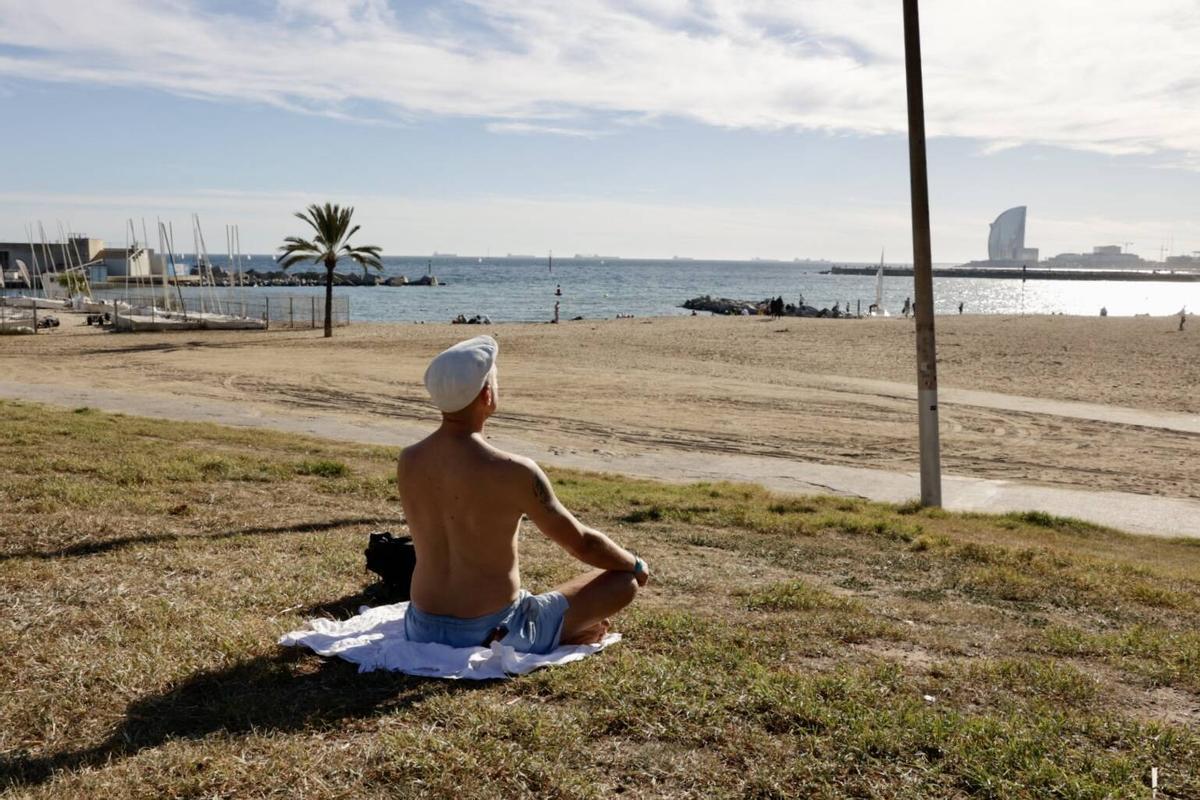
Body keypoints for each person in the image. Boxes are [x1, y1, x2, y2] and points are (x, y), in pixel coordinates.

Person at [397, 336, 648, 653]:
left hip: (421, 626)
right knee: (622, 582)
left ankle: (559, 629)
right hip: (495, 630)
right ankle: (561, 633)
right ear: (487, 393)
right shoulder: (514, 471)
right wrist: (636, 565)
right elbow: (581, 542)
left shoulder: (409, 460)